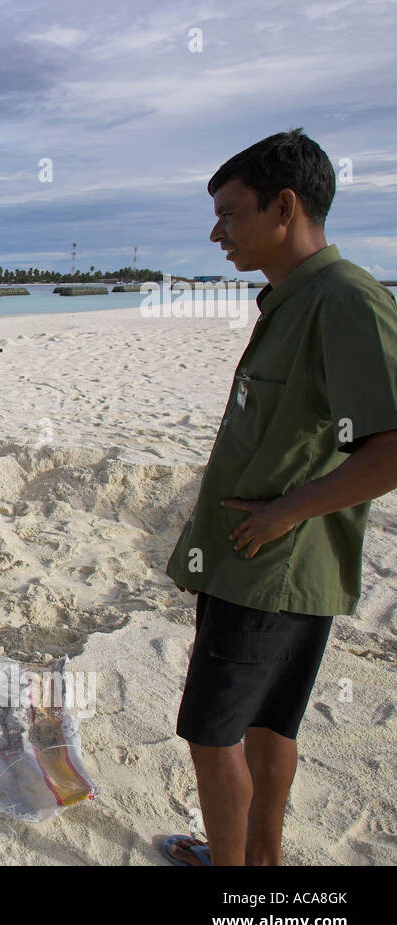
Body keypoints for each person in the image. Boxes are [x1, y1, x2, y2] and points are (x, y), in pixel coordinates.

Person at [162, 129, 397, 865]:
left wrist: (280, 514)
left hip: (268, 565)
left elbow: (389, 450)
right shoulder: (296, 300)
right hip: (271, 561)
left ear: (284, 206)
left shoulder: (344, 301)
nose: (217, 231)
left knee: (211, 732)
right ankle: (259, 862)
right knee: (269, 726)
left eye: (231, 214)